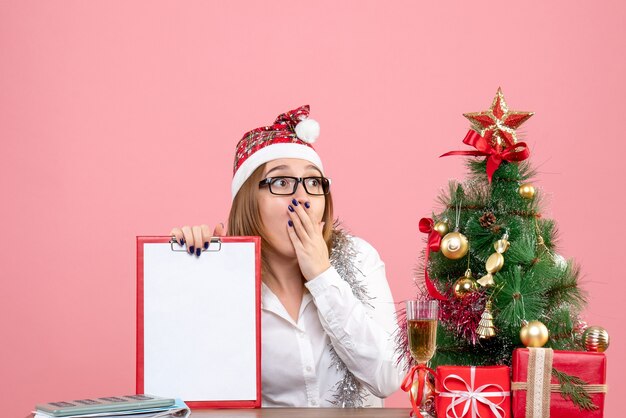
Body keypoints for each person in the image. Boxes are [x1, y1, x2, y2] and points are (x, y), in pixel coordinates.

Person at [170, 105, 403, 407]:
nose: (302, 198)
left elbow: (388, 377)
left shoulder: (360, 257)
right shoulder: (225, 275)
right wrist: (190, 268)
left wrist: (322, 275)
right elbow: (191, 392)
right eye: (281, 182)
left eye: (313, 182)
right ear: (248, 202)